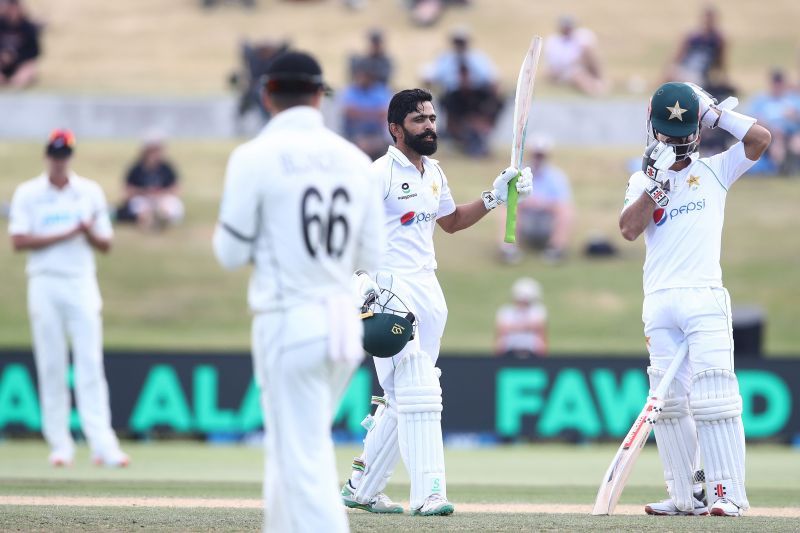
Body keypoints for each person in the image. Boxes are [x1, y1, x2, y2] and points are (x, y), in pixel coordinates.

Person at [212, 51, 386, 533]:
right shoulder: (355, 160)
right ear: (318, 95)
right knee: (290, 454)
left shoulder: (253, 157)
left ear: (267, 95)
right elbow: (371, 256)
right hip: (342, 323)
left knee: (303, 458)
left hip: (289, 320)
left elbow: (229, 253)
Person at [340, 88, 532, 516]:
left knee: (401, 396)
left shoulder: (434, 173)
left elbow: (451, 222)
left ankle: (361, 488)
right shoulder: (378, 175)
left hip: (428, 288)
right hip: (389, 289)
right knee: (420, 391)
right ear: (395, 129)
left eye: (431, 117)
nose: (429, 125)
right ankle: (429, 493)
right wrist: (361, 288)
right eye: (418, 120)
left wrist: (496, 195)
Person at [619, 82, 771, 517]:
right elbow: (629, 230)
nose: (672, 139)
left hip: (704, 295)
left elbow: (762, 140)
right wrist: (657, 183)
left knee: (716, 396)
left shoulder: (717, 169)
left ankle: (727, 493)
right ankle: (685, 494)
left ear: (695, 131)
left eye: (680, 131)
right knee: (668, 404)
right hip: (659, 299)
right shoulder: (641, 179)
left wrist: (716, 114)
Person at [7, 129, 129, 468]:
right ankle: (60, 444)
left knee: (89, 362)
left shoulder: (88, 191)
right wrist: (68, 231)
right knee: (51, 364)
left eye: (65, 155)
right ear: (46, 155)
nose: (59, 161)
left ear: (70, 157)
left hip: (80, 282)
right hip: (44, 282)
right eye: (54, 154)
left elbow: (106, 244)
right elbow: (18, 241)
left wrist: (87, 230)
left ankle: (103, 443)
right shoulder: (29, 193)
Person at [500, 137, 573, 263]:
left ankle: (556, 249)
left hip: (546, 222)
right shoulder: (517, 174)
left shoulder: (557, 176)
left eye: (541, 155)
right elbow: (508, 198)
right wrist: (527, 201)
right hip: (525, 221)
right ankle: (509, 249)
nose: (538, 158)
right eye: (536, 155)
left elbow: (563, 202)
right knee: (507, 206)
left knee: (565, 210)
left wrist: (543, 204)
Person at [116, 134, 184, 230]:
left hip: (162, 198)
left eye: (157, 150)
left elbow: (176, 189)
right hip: (143, 199)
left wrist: (160, 194)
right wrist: (144, 192)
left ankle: (162, 220)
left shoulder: (166, 168)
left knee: (171, 205)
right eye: (152, 151)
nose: (154, 154)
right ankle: (147, 221)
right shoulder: (136, 169)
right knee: (138, 205)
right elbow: (126, 192)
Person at [747, 69, 800, 174]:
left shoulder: (793, 99)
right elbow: (751, 118)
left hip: (790, 133)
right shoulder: (760, 100)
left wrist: (794, 116)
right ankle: (780, 168)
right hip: (768, 133)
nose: (777, 87)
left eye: (780, 84)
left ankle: (791, 167)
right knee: (777, 143)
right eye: (775, 84)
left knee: (796, 142)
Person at [340, 61, 392, 160]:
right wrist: (373, 113)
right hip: (354, 133)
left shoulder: (380, 90)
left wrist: (360, 113)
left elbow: (384, 114)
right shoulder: (350, 90)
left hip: (376, 134)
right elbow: (349, 112)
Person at [544, 15, 606, 96]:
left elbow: (589, 52)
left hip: (580, 67)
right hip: (563, 71)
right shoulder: (553, 41)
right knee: (577, 75)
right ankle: (594, 91)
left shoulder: (581, 36)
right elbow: (555, 64)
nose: (567, 29)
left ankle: (599, 81)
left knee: (587, 54)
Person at [665, 5, 726, 87]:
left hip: (700, 75)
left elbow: (720, 62)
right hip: (686, 69)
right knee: (672, 72)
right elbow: (677, 57)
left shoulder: (717, 39)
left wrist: (721, 77)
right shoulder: (692, 36)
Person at [494, 278, 547, 358]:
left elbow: (540, 332)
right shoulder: (506, 311)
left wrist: (514, 327)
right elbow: (501, 333)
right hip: (509, 352)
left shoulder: (538, 311)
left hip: (531, 352)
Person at [0, 0, 40, 89]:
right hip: (2, 64)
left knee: (28, 70)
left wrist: (15, 57)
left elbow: (34, 52)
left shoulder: (28, 28)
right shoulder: (1, 25)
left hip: (20, 64)